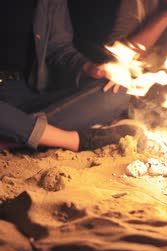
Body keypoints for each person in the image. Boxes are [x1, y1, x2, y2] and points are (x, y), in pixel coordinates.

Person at [0, 0, 143, 151]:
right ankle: (73, 141)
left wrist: (91, 69)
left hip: (27, 88)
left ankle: (14, 134)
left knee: (116, 90)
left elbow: (59, 49)